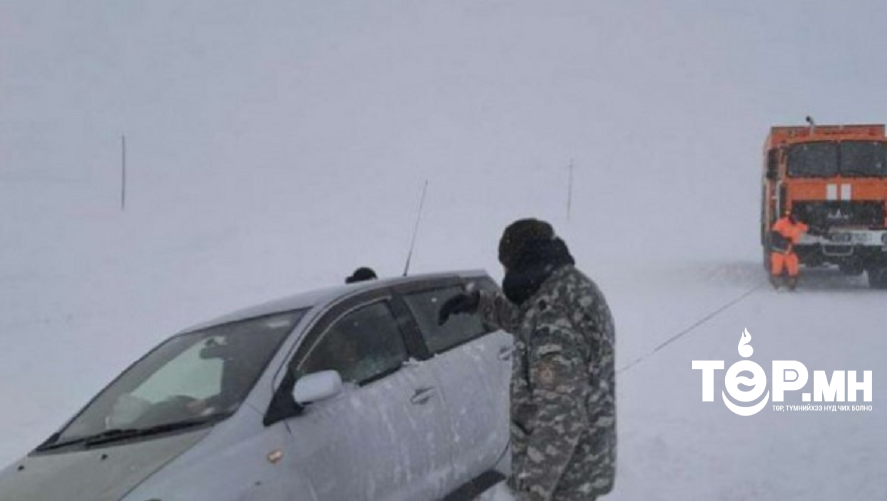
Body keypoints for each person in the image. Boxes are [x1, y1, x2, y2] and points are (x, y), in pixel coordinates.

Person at [439, 218, 616, 501]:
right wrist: (480, 304)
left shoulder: (553, 312)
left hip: (560, 481)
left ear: (520, 261)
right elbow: (526, 320)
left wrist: (527, 492)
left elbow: (561, 419)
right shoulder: (566, 287)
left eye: (506, 265)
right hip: (576, 466)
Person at [770, 208, 809, 290]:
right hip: (778, 250)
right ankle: (776, 283)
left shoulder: (799, 225)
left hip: (789, 251)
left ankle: (792, 283)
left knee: (793, 267)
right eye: (794, 216)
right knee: (776, 268)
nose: (796, 218)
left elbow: (809, 230)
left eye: (798, 217)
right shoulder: (781, 222)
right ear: (791, 216)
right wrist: (784, 240)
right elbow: (774, 235)